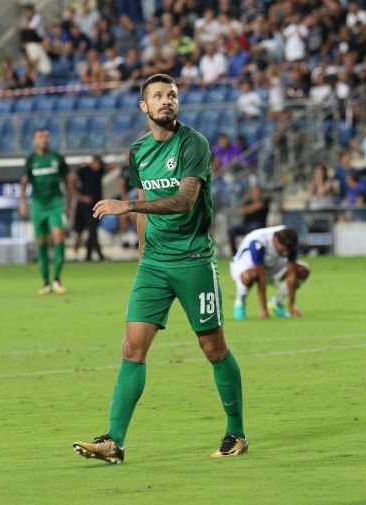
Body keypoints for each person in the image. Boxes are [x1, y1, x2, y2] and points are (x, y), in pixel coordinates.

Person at [73, 74, 247, 464]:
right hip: (153, 264)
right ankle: (113, 442)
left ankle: (236, 432)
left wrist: (127, 206)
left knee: (213, 347)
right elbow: (143, 204)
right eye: (157, 96)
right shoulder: (138, 150)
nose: (166, 100)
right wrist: (142, 256)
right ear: (144, 106)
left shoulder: (193, 144)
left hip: (193, 259)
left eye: (171, 95)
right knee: (132, 348)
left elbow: (184, 201)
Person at [19, 128, 71, 294]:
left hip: (55, 203)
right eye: (41, 137)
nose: (44, 140)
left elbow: (67, 181)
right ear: (34, 140)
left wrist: (69, 204)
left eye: (46, 137)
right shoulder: (31, 160)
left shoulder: (57, 158)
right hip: (38, 204)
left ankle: (57, 278)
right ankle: (45, 281)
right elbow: (24, 182)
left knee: (58, 236)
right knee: (40, 242)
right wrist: (22, 202)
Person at [229, 226, 308, 320]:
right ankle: (240, 303)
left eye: (288, 250)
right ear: (276, 240)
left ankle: (275, 303)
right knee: (249, 276)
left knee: (302, 271)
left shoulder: (290, 239)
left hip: (272, 265)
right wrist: (264, 309)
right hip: (247, 266)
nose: (286, 253)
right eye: (284, 249)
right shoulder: (258, 242)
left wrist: (291, 304)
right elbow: (261, 279)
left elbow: (292, 274)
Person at [72, 156, 106, 261]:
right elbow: (71, 181)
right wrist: (80, 197)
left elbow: (111, 166)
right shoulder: (84, 170)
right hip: (84, 205)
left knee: (92, 230)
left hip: (95, 205)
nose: (98, 166)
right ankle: (82, 254)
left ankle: (89, 255)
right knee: (83, 230)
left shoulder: (99, 171)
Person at [227, 186, 269, 255]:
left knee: (254, 227)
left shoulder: (265, 201)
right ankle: (234, 253)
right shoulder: (248, 201)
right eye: (254, 193)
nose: (256, 194)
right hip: (246, 225)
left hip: (259, 225)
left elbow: (259, 206)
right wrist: (253, 207)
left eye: (258, 193)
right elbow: (242, 210)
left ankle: (253, 251)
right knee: (232, 230)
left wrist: (249, 208)